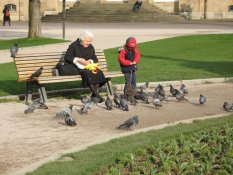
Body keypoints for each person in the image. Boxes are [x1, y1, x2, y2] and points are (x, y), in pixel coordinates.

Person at [64, 30, 106, 103]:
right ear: (82, 40)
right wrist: (78, 59)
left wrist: (90, 61)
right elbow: (67, 57)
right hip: (78, 68)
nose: (89, 43)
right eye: (87, 41)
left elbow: (95, 58)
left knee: (99, 72)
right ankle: (97, 95)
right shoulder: (73, 45)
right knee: (88, 74)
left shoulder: (90, 46)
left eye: (90, 41)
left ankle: (94, 95)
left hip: (89, 66)